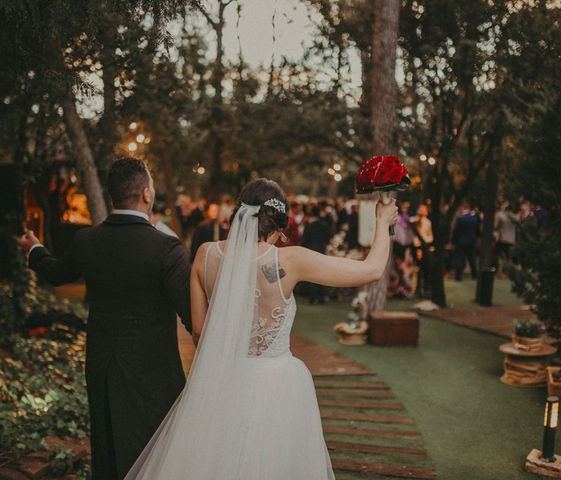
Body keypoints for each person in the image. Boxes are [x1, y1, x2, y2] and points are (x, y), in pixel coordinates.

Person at [125, 178, 397, 480]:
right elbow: (371, 270)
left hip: (220, 381)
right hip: (277, 386)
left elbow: (200, 332)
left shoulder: (205, 255)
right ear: (280, 230)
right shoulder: (290, 259)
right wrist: (383, 221)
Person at [18, 157, 192, 480]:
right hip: (155, 374)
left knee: (108, 449)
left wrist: (34, 249)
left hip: (103, 366)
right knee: (155, 454)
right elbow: (192, 316)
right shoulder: (168, 249)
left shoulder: (87, 241)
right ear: (146, 194)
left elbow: (56, 273)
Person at [301, 205, 332, 304]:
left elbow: (304, 240)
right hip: (321, 251)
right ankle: (321, 296)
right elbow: (328, 238)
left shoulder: (309, 226)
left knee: (311, 274)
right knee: (322, 273)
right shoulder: (324, 225)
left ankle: (313, 297)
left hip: (310, 251)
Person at [452, 201, 480, 280]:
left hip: (461, 241)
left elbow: (456, 231)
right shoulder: (474, 218)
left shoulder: (460, 218)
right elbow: (477, 230)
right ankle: (474, 275)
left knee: (460, 259)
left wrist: (453, 241)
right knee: (472, 259)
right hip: (471, 241)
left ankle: (458, 276)